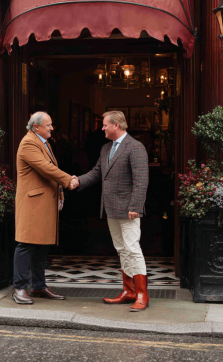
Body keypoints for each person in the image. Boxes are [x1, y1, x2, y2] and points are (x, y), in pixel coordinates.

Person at [72, 111, 149, 311]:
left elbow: (141, 181)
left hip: (128, 209)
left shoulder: (135, 147)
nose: (102, 128)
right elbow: (97, 173)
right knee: (122, 250)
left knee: (133, 248)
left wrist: (136, 206)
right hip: (111, 208)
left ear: (116, 125)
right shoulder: (106, 148)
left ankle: (142, 294)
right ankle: (129, 291)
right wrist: (76, 180)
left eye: (105, 125)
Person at [13, 111, 79, 305]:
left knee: (41, 245)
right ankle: (19, 288)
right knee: (25, 244)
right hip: (33, 203)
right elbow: (45, 168)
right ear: (36, 127)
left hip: (44, 202)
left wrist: (59, 194)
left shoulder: (43, 142)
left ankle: (38, 286)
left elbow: (48, 173)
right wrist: (69, 180)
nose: (52, 128)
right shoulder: (28, 143)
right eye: (48, 125)